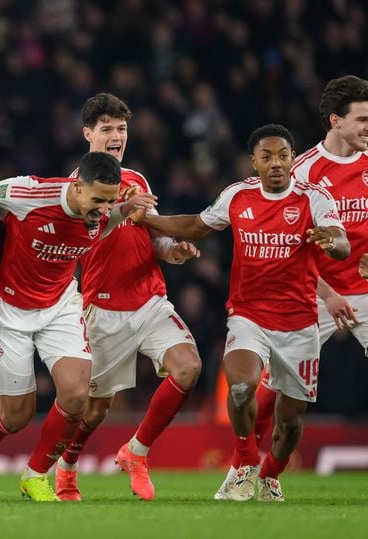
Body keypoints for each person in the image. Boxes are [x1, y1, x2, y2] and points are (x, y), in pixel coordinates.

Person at [142, 124, 349, 502]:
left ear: (292, 159)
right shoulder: (237, 196)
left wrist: (330, 240)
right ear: (253, 162)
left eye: (283, 156)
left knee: (289, 424)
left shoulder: (313, 199)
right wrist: (148, 220)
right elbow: (195, 226)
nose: (275, 164)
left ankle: (271, 474)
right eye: (266, 157)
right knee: (239, 388)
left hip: (300, 323)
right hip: (248, 316)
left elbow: (341, 243)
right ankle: (246, 463)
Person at [0, 151, 158, 501]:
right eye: (97, 200)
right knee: (16, 416)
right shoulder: (28, 194)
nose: (102, 211)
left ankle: (35, 475)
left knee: (78, 396)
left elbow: (108, 219)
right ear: (76, 187)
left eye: (110, 202)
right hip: (8, 310)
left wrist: (125, 208)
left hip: (60, 306)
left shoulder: (102, 212)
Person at [215, 75, 368, 499]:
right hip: (312, 294)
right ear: (336, 121)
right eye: (363, 120)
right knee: (274, 389)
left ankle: (269, 473)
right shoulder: (299, 171)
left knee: (286, 396)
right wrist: (328, 293)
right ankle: (243, 466)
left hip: (365, 291)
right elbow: (284, 253)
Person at [54, 93, 202, 502]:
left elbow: (149, 235)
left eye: (121, 128)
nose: (116, 136)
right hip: (103, 308)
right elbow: (86, 235)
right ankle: (66, 468)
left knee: (188, 367)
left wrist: (172, 248)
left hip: (150, 300)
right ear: (88, 134)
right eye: (107, 129)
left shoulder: (136, 179)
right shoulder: (75, 184)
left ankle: (136, 452)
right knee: (95, 409)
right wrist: (123, 210)